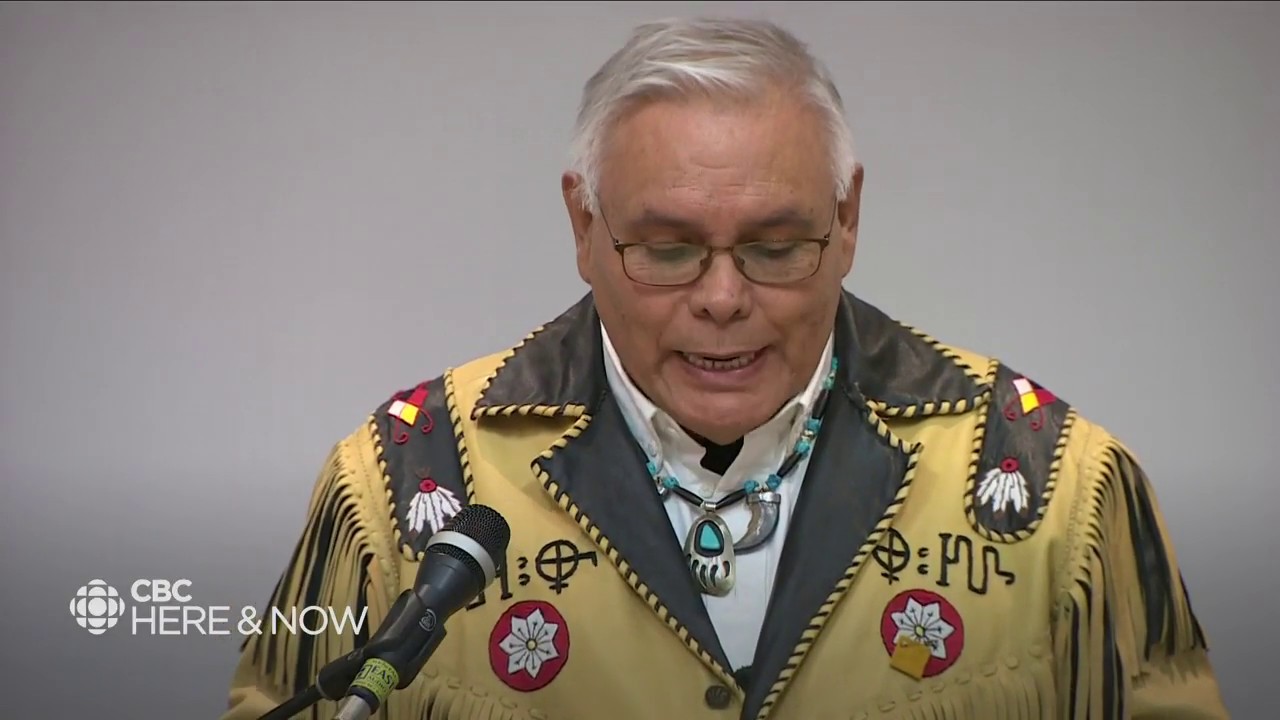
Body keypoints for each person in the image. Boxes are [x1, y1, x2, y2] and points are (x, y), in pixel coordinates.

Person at [221, 16, 1229, 720]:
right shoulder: (402, 485)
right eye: (666, 250)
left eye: (775, 248)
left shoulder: (1054, 487)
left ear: (848, 220)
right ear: (583, 225)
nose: (720, 298)